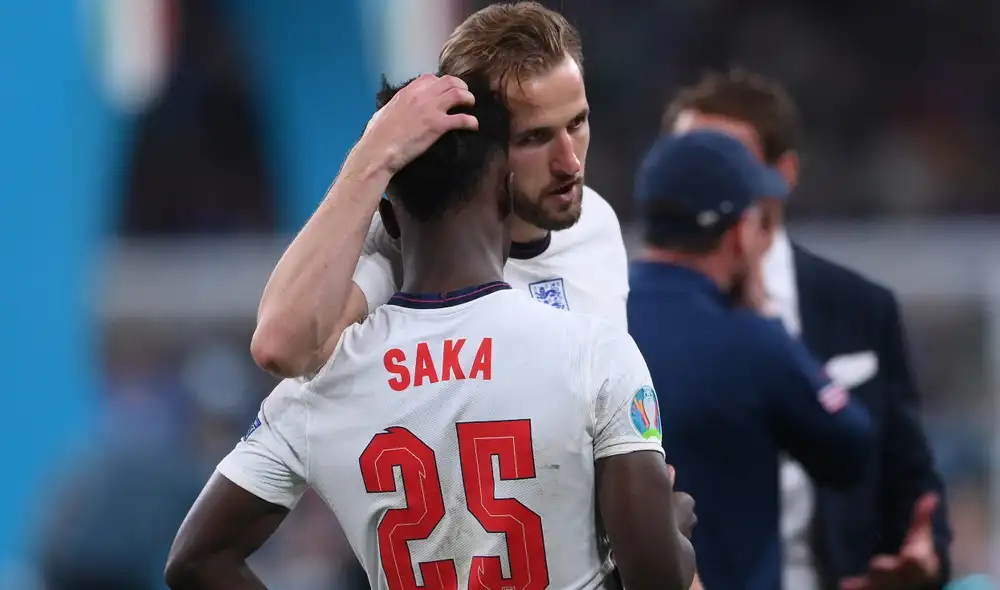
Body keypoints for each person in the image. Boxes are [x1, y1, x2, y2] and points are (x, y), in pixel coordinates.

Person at [164, 76, 696, 590]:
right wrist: (672, 529)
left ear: (390, 223)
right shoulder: (593, 353)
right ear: (506, 196)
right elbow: (655, 578)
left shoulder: (319, 386)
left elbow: (195, 560)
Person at [662, 70, 952, 590]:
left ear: (784, 174)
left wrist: (926, 557)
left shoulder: (860, 308)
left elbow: (908, 475)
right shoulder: (632, 313)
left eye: (726, 159)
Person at [250, 1, 629, 380]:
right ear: (477, 143)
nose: (570, 163)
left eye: (577, 123)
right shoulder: (417, 248)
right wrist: (372, 154)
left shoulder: (599, 224)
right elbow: (279, 347)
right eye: (535, 138)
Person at [627, 129, 876, 590]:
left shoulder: (596, 318)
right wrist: (768, 319)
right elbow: (852, 449)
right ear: (740, 233)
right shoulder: (753, 342)